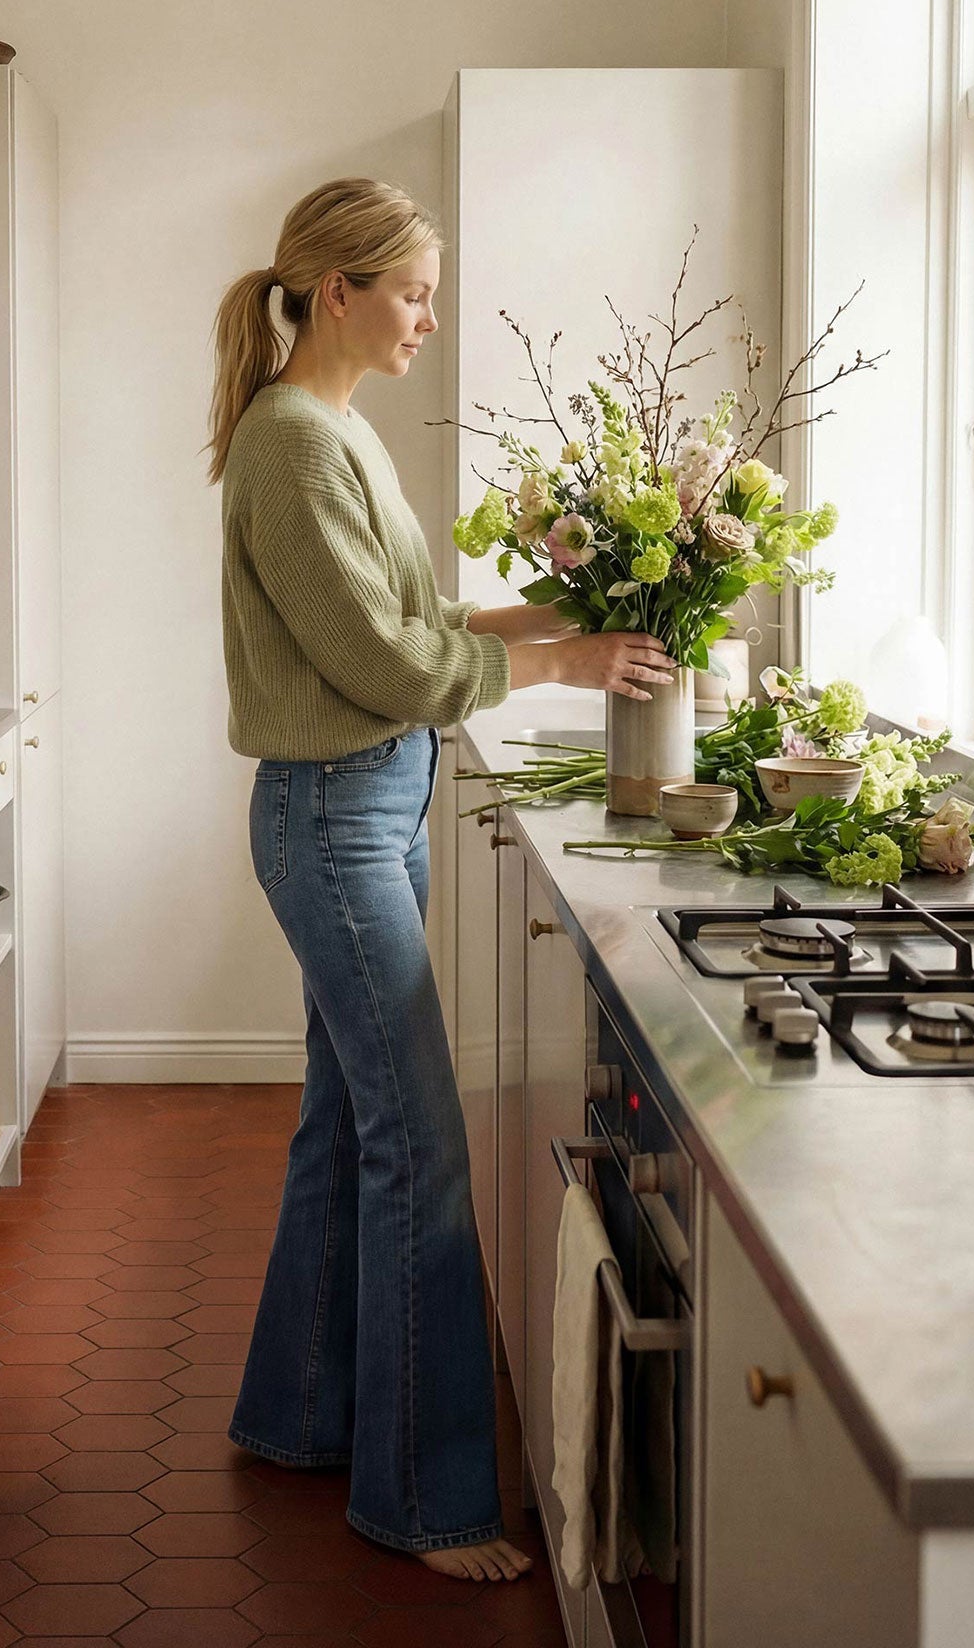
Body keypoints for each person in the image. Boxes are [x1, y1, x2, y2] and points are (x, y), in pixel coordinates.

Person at [208, 176, 675, 1582]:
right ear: (337, 290)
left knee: (347, 1126)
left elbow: (415, 620)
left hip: (366, 807)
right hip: (336, 817)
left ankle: (298, 1416)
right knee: (414, 1147)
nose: (427, 317)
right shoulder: (291, 443)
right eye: (410, 292)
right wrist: (566, 665)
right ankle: (426, 1498)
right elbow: (389, 667)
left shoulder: (329, 433)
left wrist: (573, 613)